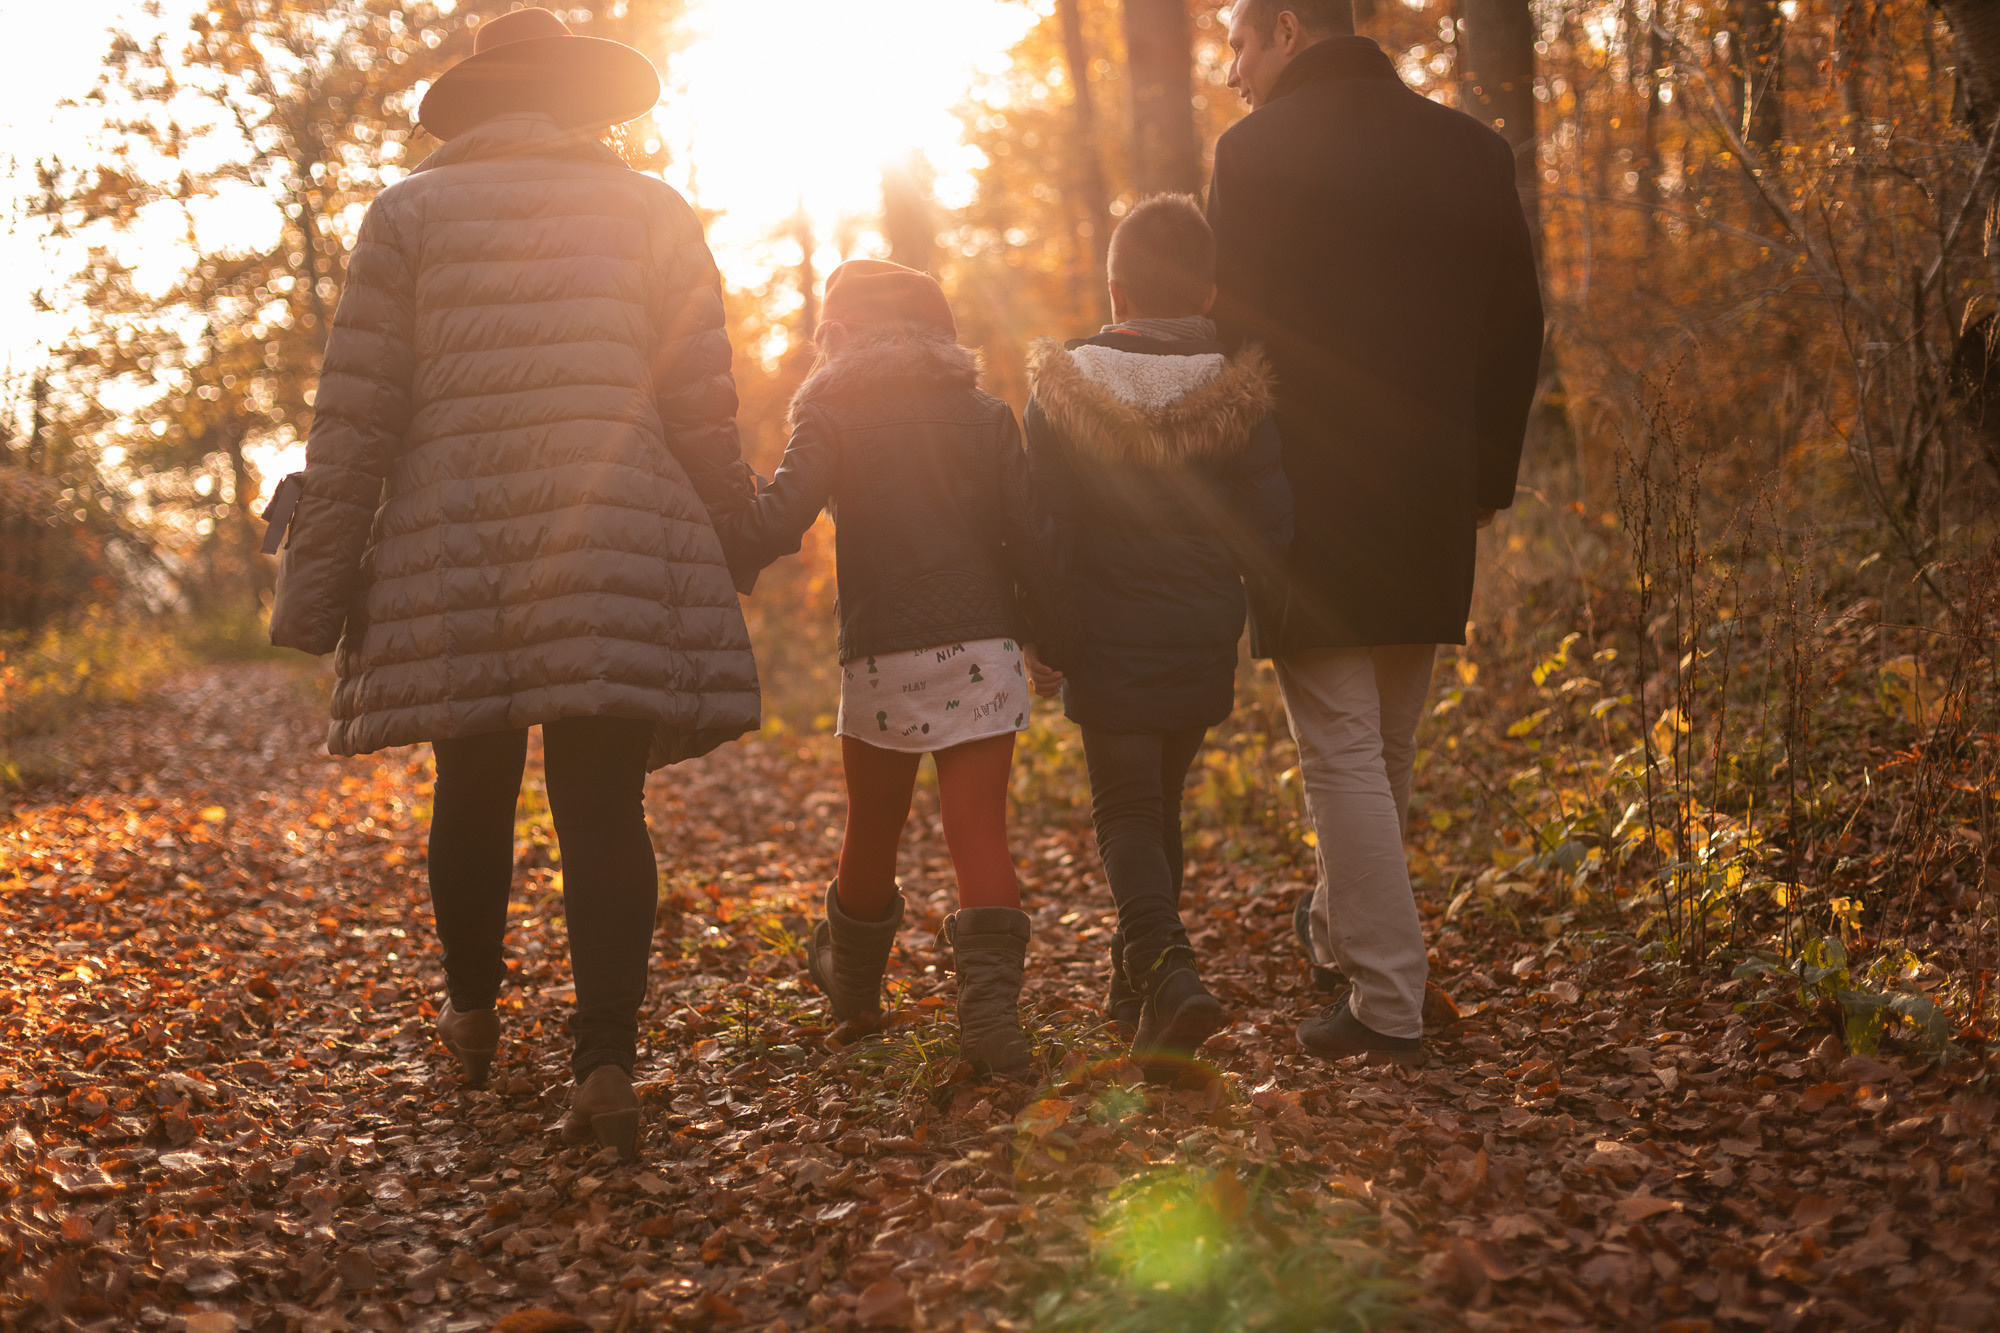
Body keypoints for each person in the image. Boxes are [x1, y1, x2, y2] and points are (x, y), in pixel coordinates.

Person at [263, 8, 760, 1161]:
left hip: (456, 536)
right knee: (602, 804)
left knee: (471, 781)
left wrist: (320, 587)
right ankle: (603, 1064)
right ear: (586, 104)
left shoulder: (408, 213)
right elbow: (701, 402)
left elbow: (360, 411)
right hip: (612, 528)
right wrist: (730, 537)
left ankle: (474, 1017)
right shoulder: (654, 211)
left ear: (476, 106)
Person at [1208, 0, 1545, 1066]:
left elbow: (1236, 334)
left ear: (1288, 33)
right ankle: (1335, 931)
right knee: (1381, 743)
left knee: (1344, 751)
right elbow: (1515, 325)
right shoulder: (1468, 149)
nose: (1229, 73)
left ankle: (1386, 997)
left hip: (1305, 493)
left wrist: (1223, 491)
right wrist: (1482, 475)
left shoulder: (1252, 152)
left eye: (1237, 44)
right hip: (1432, 489)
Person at [720, 261, 1069, 1077]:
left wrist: (725, 502)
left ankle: (854, 992)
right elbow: (1033, 534)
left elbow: (779, 518)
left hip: (883, 652)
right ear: (940, 336)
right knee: (977, 829)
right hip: (983, 647)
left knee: (874, 825)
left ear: (841, 338)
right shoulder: (985, 415)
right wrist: (1054, 637)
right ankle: (990, 1026)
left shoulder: (833, 408)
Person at [1021, 196, 1291, 1078]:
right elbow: (1270, 525)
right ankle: (1135, 991)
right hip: (1198, 627)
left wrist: (1043, 633)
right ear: (1209, 292)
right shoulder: (1239, 393)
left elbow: (1041, 529)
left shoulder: (1063, 390)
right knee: (1158, 805)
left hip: (1104, 627)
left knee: (1125, 811)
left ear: (1115, 289)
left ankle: (1169, 973)